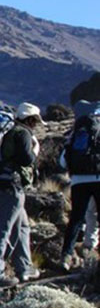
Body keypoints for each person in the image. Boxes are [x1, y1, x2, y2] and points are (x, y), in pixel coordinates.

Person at [0, 102, 44, 287]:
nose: (36, 125)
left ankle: (24, 267)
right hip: (9, 188)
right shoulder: (21, 133)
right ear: (31, 120)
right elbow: (26, 159)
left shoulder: (3, 132)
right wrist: (34, 152)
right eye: (35, 122)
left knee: (22, 226)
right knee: (3, 230)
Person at [59, 100, 100, 271]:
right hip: (98, 179)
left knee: (76, 219)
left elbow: (62, 161)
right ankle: (92, 256)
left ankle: (66, 257)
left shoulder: (76, 134)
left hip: (77, 182)